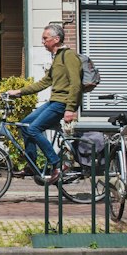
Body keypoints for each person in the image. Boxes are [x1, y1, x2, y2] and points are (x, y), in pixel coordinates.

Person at [7, 22, 81, 183]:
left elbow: (76, 83)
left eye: (45, 38)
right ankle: (32, 165)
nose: (43, 42)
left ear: (56, 39)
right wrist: (19, 92)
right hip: (53, 101)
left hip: (61, 104)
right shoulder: (57, 58)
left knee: (34, 129)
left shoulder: (69, 56)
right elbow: (44, 82)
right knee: (25, 125)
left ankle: (56, 165)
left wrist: (70, 108)